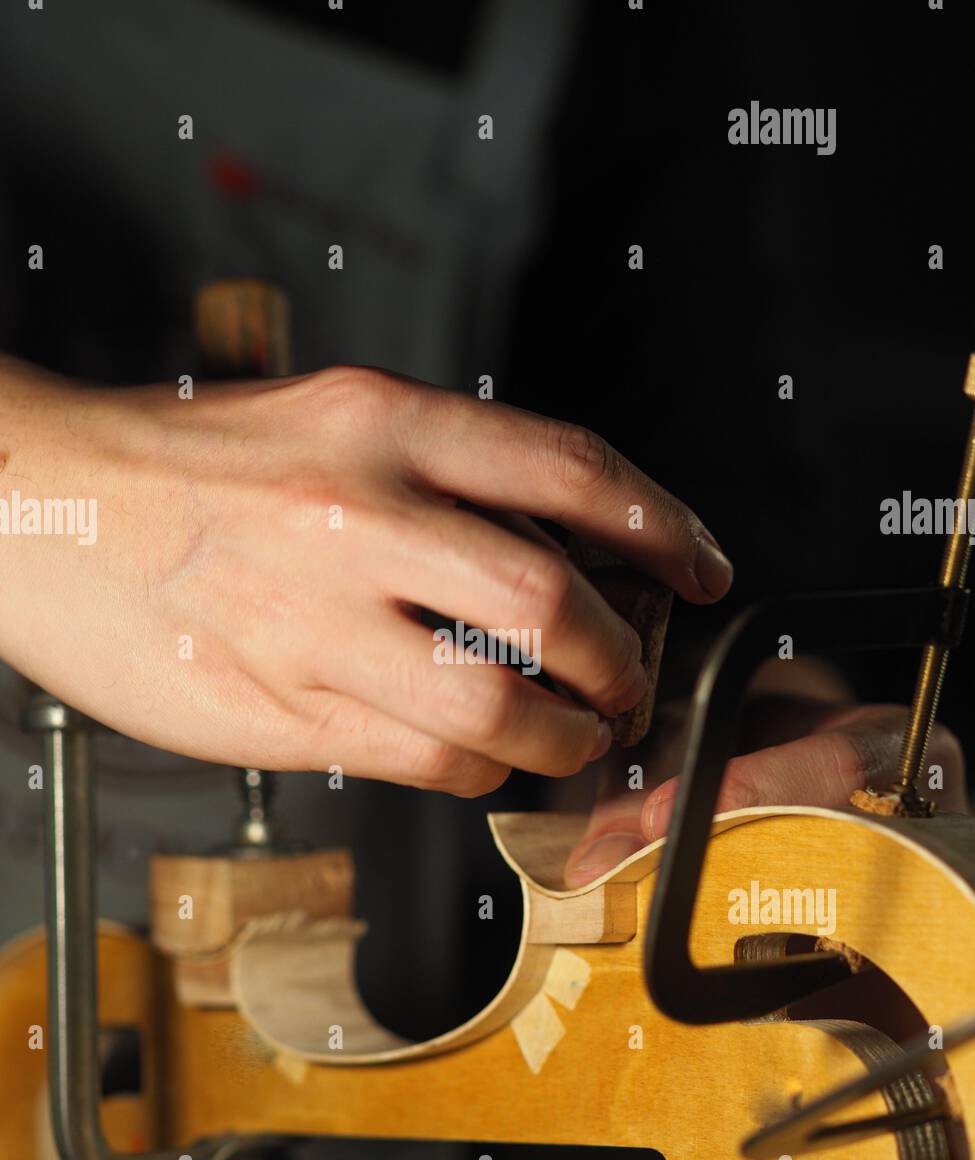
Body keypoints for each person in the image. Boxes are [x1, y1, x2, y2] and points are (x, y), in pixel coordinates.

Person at [0, 0, 967, 1036]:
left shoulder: (621, 43)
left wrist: (744, 763)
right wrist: (43, 492)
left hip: (354, 1110)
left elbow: (708, 534)